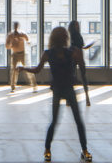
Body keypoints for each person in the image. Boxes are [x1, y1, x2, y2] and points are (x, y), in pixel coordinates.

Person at [23, 27, 92, 163]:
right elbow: (82, 69)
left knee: (56, 121)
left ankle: (48, 150)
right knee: (76, 121)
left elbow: (37, 70)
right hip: (66, 89)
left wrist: (23, 68)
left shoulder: (50, 53)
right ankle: (84, 150)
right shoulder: (72, 52)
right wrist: (81, 61)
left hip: (59, 89)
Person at [6, 21, 37, 93]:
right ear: (13, 27)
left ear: (18, 26)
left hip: (23, 54)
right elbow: (6, 45)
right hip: (15, 54)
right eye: (15, 26)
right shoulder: (10, 35)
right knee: (13, 70)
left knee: (28, 69)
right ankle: (12, 87)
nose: (16, 27)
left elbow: (28, 39)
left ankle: (34, 85)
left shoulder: (22, 34)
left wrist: (28, 42)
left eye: (17, 26)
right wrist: (10, 45)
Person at [67, 20, 92, 106]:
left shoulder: (70, 35)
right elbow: (81, 46)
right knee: (81, 77)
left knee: (72, 78)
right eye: (76, 25)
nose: (78, 27)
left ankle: (69, 100)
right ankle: (86, 98)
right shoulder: (76, 35)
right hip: (78, 57)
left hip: (74, 57)